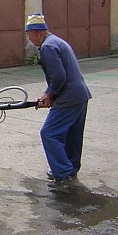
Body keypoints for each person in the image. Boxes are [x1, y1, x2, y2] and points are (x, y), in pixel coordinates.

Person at [25, 13, 92, 192]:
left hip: (69, 98)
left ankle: (62, 174)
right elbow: (60, 75)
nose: (29, 39)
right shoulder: (56, 41)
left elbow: (59, 77)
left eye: (28, 35)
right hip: (80, 95)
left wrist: (51, 95)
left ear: (36, 33)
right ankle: (70, 169)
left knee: (49, 133)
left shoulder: (48, 47)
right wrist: (47, 93)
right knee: (71, 134)